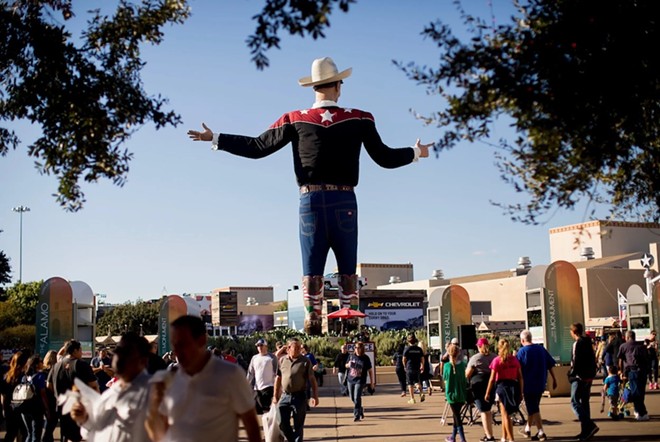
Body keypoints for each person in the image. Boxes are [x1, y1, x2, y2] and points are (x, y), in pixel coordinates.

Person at [187, 56, 432, 335]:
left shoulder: (294, 119)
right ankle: (349, 323)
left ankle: (312, 320)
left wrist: (216, 138)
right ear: (339, 86)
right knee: (347, 268)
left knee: (312, 269)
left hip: (310, 202)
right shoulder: (361, 118)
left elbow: (257, 147)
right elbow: (385, 158)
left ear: (313, 88)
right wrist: (416, 153)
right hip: (345, 202)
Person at [146, 315, 260, 442]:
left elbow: (252, 426)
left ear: (201, 340)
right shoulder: (170, 378)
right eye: (174, 345)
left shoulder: (230, 374)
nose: (177, 352)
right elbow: (160, 433)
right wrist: (154, 406)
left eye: (182, 344)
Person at [70, 332, 152, 442]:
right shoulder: (111, 393)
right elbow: (93, 429)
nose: (119, 358)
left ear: (143, 360)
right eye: (118, 353)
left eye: (127, 354)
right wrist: (84, 418)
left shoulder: (154, 391)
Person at [47, 340, 99, 442]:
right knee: (76, 436)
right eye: (80, 350)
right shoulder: (82, 365)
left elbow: (48, 385)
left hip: (62, 406)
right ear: (75, 351)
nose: (81, 353)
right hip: (79, 406)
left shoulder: (56, 366)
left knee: (65, 434)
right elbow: (93, 386)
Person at [273, 337, 319, 442]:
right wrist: (275, 396)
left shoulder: (305, 361)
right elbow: (278, 378)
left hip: (299, 396)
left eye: (300, 346)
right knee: (282, 423)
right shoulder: (282, 360)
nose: (299, 349)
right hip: (285, 396)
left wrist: (315, 396)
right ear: (288, 348)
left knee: (298, 425)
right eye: (296, 347)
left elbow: (312, 379)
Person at [516, 330, 557, 441]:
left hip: (528, 384)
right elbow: (550, 365)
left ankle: (541, 432)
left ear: (522, 340)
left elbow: (518, 370)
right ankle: (527, 429)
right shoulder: (541, 349)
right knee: (533, 407)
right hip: (540, 383)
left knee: (533, 408)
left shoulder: (521, 352)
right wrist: (554, 379)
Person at [485, 339, 523, 442]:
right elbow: (520, 377)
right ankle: (503, 437)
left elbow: (492, 379)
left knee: (506, 415)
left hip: (502, 386)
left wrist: (487, 392)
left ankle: (511, 439)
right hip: (513, 386)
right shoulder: (514, 360)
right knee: (506, 414)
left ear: (499, 348)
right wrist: (521, 391)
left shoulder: (497, 360)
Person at [568, 322, 599, 441]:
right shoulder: (588, 342)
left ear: (573, 332)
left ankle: (589, 425)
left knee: (574, 402)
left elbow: (575, 361)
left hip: (579, 376)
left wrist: (572, 374)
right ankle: (586, 431)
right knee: (585, 402)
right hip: (588, 376)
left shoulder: (577, 344)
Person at [466, 337, 496, 442]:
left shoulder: (475, 358)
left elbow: (467, 374)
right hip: (491, 385)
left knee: (483, 411)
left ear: (479, 347)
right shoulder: (494, 357)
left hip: (479, 386)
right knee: (488, 410)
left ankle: (489, 436)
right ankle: (489, 434)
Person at [617, 329, 649, 421]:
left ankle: (642, 412)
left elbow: (620, 360)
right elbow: (646, 359)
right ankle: (638, 410)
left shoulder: (623, 346)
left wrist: (621, 372)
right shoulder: (642, 346)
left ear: (627, 337)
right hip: (642, 371)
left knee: (635, 392)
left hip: (632, 371)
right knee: (641, 391)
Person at [17, 355, 49, 442]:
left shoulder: (24, 377)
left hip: (24, 407)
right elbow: (43, 394)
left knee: (29, 433)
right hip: (36, 409)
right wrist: (47, 409)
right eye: (40, 362)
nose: (42, 363)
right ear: (36, 365)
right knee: (36, 435)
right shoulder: (40, 376)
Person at [1, 351, 30, 442]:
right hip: (22, 408)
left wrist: (4, 408)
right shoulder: (24, 377)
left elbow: (3, 394)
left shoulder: (7, 376)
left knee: (10, 433)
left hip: (9, 408)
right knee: (24, 433)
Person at [246, 338, 278, 415]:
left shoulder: (272, 357)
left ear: (266, 346)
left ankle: (268, 425)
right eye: (258, 346)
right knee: (257, 411)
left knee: (266, 409)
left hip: (268, 386)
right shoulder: (254, 358)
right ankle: (264, 424)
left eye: (261, 345)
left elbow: (276, 372)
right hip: (257, 388)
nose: (259, 347)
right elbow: (250, 373)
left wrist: (278, 387)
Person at [444, 343, 468, 442]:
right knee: (456, 415)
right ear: (458, 353)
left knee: (457, 417)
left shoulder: (446, 366)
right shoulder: (463, 365)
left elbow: (445, 380)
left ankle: (463, 439)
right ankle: (453, 436)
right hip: (462, 393)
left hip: (451, 394)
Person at [345, 342, 374, 422]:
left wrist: (372, 383)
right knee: (352, 397)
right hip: (350, 380)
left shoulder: (365, 358)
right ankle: (360, 409)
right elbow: (346, 365)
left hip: (360, 380)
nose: (357, 349)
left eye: (359, 348)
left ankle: (356, 415)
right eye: (356, 348)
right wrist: (348, 365)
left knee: (357, 397)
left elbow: (370, 371)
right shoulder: (351, 356)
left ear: (362, 349)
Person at [41, 350, 59, 442]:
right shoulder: (55, 371)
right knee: (51, 423)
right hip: (52, 399)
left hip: (43, 399)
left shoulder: (42, 371)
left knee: (48, 422)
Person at [402, 334, 425, 404]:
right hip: (417, 367)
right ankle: (421, 392)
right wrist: (422, 365)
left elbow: (404, 359)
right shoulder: (419, 349)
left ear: (408, 341)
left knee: (410, 383)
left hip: (409, 367)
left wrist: (404, 366)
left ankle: (412, 398)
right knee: (417, 381)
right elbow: (422, 358)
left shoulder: (407, 349)